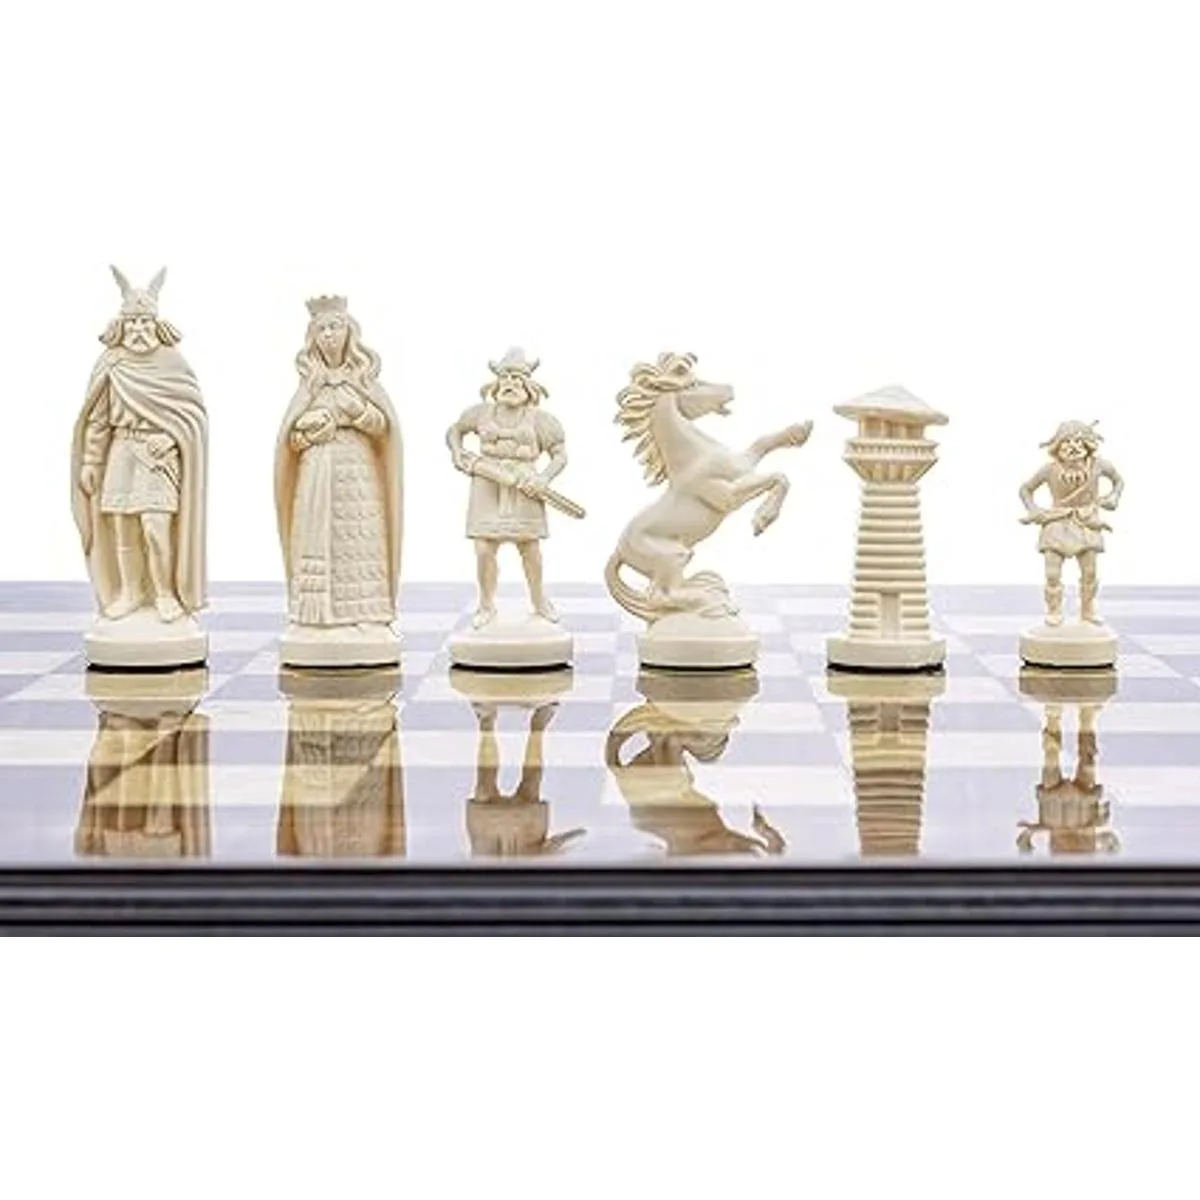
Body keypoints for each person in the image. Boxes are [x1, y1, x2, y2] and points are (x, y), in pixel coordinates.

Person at [70, 267, 207, 623]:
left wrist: (172, 438)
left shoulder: (173, 362)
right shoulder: (111, 363)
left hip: (158, 456)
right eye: (132, 322)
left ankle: (164, 593)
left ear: (156, 324)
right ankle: (130, 592)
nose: (138, 329)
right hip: (121, 449)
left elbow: (192, 415)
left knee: (155, 527)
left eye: (145, 322)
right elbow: (98, 418)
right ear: (122, 324)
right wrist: (91, 461)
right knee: (123, 526)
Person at [274, 296, 402, 640]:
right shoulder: (309, 386)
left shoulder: (363, 381)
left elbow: (383, 428)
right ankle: (315, 618)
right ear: (312, 337)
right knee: (316, 536)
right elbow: (290, 441)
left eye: (335, 327)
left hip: (357, 469)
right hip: (316, 471)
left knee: (359, 540)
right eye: (321, 329)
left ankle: (366, 615)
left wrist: (357, 411)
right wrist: (308, 430)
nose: (329, 335)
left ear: (350, 333)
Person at [445, 348, 567, 628]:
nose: (510, 383)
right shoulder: (480, 413)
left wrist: (544, 478)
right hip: (486, 485)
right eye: (505, 377)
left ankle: (539, 600)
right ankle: (486, 604)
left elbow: (560, 455)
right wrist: (457, 451)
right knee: (483, 549)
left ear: (528, 385)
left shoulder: (541, 420)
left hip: (525, 486)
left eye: (516, 378)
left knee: (530, 548)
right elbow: (455, 431)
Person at [1019, 420, 1124, 626]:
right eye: (1066, 441)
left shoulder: (1099, 465)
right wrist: (1033, 510)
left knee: (1089, 571)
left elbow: (1118, 480)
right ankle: (1054, 610)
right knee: (1052, 572)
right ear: (1057, 445)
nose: (1073, 446)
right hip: (1056, 522)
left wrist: (1114, 497)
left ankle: (1087, 609)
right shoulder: (1049, 470)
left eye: (1078, 441)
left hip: (1087, 522)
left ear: (1087, 444)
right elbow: (1025, 489)